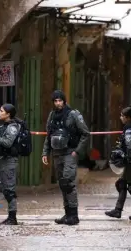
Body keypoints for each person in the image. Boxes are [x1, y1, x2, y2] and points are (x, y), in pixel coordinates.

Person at [41, 90, 90, 226]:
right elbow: (48, 135)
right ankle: (67, 214)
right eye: (55, 101)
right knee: (63, 184)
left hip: (69, 152)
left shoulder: (73, 114)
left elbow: (85, 133)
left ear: (64, 101)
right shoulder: (52, 115)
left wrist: (77, 151)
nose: (58, 103)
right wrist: (45, 153)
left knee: (69, 183)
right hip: (57, 153)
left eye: (60, 100)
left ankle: (74, 216)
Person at [105, 105, 131, 220]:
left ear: (128, 117)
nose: (120, 117)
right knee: (122, 183)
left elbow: (129, 146)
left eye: (122, 116)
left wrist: (126, 159)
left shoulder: (129, 129)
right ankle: (118, 210)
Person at [0, 103, 21, 225]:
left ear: (8, 114)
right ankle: (10, 216)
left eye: (2, 111)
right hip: (3, 160)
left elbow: (8, 143)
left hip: (9, 161)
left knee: (9, 189)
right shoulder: (4, 126)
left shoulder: (12, 127)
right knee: (5, 188)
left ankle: (12, 217)